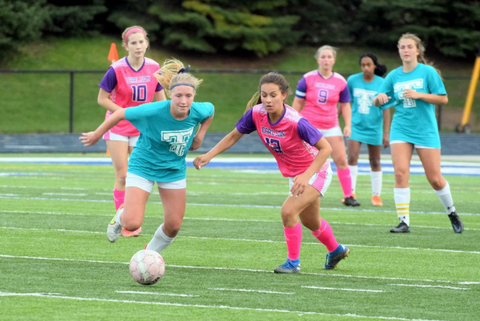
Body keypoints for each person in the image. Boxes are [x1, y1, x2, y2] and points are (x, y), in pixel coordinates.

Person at [194, 72, 350, 273]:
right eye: (264, 94)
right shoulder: (256, 114)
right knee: (311, 222)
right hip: (297, 175)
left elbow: (326, 148)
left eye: (273, 95)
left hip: (315, 171)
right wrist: (210, 155)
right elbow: (234, 136)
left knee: (288, 211)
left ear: (284, 95)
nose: (268, 100)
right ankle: (336, 250)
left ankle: (293, 263)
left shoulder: (296, 121)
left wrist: (304, 176)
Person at [80, 58, 215, 252]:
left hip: (173, 169)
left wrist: (200, 136)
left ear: (194, 95)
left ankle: (148, 255)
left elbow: (210, 111)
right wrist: (96, 134)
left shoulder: (198, 109)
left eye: (188, 96)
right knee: (132, 223)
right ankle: (120, 217)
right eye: (178, 96)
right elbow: (119, 114)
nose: (183, 101)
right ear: (169, 94)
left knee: (173, 226)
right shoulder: (153, 110)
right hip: (144, 165)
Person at [372, 33, 464, 233]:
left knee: (435, 178)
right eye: (402, 47)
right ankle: (403, 222)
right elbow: (377, 101)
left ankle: (452, 213)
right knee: (400, 173)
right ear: (399, 51)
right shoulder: (394, 76)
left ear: (417, 50)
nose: (405, 50)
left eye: (409, 47)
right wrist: (378, 98)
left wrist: (419, 94)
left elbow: (443, 99)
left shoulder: (428, 72)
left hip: (425, 130)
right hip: (401, 128)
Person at [98, 26, 167, 237]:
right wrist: (126, 113)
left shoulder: (155, 67)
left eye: (141, 42)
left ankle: (130, 218)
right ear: (126, 46)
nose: (138, 46)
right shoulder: (116, 69)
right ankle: (125, 221)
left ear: (147, 43)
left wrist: (162, 122)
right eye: (133, 43)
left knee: (139, 175)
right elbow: (102, 99)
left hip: (141, 129)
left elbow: (161, 100)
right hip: (118, 126)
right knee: (123, 175)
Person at [292, 45, 360, 207]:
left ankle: (348, 195)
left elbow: (345, 105)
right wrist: (293, 122)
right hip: (309, 126)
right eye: (323, 57)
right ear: (317, 59)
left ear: (334, 60)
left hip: (331, 126)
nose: (326, 60)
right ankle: (308, 191)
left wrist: (348, 125)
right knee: (307, 161)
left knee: (341, 159)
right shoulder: (307, 78)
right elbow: (298, 102)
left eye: (329, 57)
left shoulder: (340, 81)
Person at [347, 53, 392, 206]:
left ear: (374, 66)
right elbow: (345, 103)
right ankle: (350, 192)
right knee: (352, 157)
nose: (366, 68)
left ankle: (376, 195)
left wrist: (386, 133)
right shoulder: (353, 80)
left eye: (368, 65)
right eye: (363, 65)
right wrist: (340, 121)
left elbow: (386, 110)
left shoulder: (382, 83)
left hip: (374, 129)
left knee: (375, 161)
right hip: (356, 126)